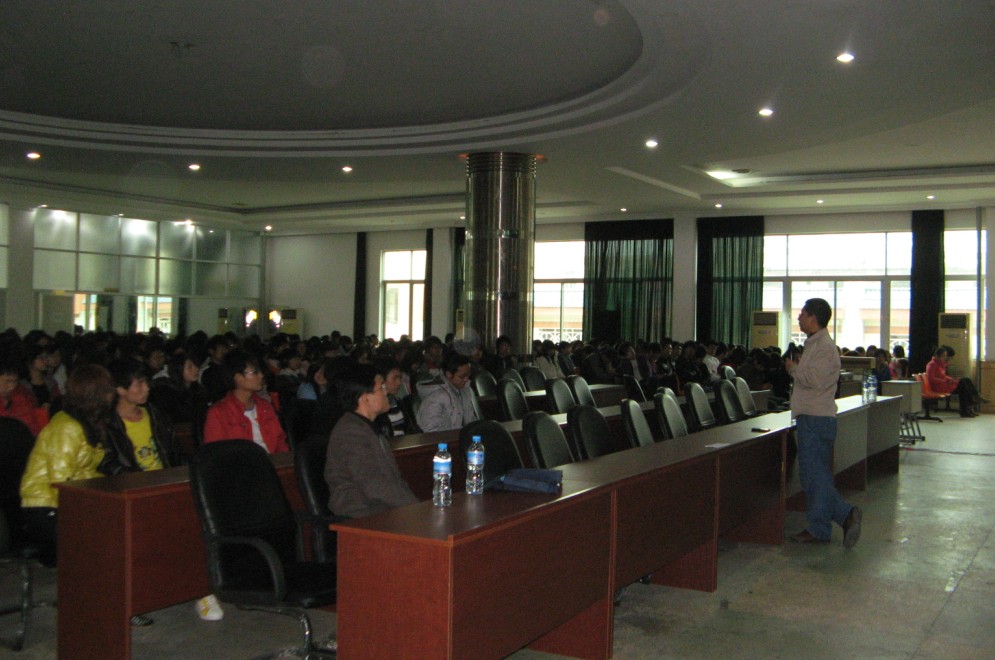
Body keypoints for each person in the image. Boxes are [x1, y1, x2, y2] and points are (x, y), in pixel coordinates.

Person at [20, 364, 115, 566]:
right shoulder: (67, 427)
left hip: (66, 500)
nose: (112, 394)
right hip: (45, 504)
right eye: (108, 389)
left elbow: (84, 471)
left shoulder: (87, 422)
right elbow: (61, 482)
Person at [784, 298, 862, 547]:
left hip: (816, 419)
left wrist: (793, 368)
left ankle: (836, 519)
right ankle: (833, 522)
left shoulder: (825, 348)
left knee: (815, 477)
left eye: (802, 313)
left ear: (813, 318)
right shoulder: (814, 344)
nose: (799, 317)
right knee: (813, 476)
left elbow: (814, 380)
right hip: (811, 416)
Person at [324, 363, 418, 519]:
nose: (386, 391)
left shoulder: (368, 426)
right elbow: (373, 485)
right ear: (365, 398)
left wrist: (418, 506)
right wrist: (416, 508)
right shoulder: (350, 432)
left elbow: (395, 480)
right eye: (381, 387)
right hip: (361, 515)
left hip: (383, 509)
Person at [203, 349, 289, 453]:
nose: (261, 375)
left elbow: (280, 442)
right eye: (255, 372)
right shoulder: (218, 412)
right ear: (237, 377)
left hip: (270, 460)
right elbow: (214, 453)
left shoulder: (265, 406)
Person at [101, 359, 178, 475]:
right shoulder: (109, 425)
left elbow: (174, 454)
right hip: (135, 483)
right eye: (139, 384)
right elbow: (110, 465)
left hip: (166, 479)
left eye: (146, 382)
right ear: (120, 390)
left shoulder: (156, 415)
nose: (146, 388)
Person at [416, 351, 477, 433]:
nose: (466, 379)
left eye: (468, 375)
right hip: (444, 440)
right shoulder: (435, 397)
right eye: (462, 376)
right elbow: (430, 432)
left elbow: (470, 419)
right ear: (448, 374)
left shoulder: (464, 389)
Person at [925, 346, 985, 417]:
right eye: (943, 356)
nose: (944, 358)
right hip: (938, 387)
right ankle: (970, 404)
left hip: (944, 384)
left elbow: (943, 376)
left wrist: (951, 379)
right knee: (962, 384)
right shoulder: (931, 365)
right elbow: (931, 378)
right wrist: (946, 381)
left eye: (945, 356)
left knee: (965, 380)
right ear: (937, 356)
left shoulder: (941, 364)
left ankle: (974, 399)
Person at [0, 356, 43, 436]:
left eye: (12, 382)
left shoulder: (25, 399)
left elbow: (33, 429)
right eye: (3, 381)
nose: (6, 386)